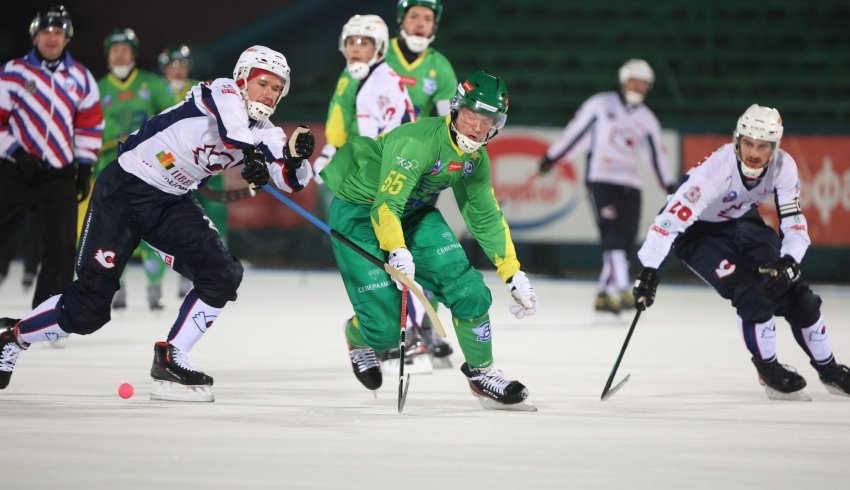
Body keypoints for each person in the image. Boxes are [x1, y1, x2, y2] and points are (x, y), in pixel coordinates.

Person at [0, 45, 315, 402]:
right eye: (264, 84)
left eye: (277, 89)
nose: (270, 94)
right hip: (125, 191)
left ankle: (171, 356)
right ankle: (13, 336)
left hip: (170, 201)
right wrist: (255, 157)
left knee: (222, 275)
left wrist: (293, 160)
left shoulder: (266, 131)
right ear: (243, 78)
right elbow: (233, 133)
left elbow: (292, 181)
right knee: (88, 311)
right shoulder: (222, 91)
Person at [320, 71, 538, 411]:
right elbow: (385, 205)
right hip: (360, 215)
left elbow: (485, 216)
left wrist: (512, 272)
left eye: (488, 120)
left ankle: (482, 374)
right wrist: (397, 249)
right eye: (472, 115)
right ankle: (357, 335)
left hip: (414, 212)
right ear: (455, 108)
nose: (477, 128)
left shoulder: (475, 159)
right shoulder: (418, 143)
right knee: (388, 329)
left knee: (466, 287)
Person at [632, 104, 850, 401]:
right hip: (696, 232)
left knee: (796, 292)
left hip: (741, 220)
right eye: (747, 143)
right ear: (737, 140)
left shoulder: (785, 167)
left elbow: (794, 221)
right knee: (750, 293)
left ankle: (829, 368)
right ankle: (769, 369)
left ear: (774, 147)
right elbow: (669, 222)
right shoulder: (714, 171)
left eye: (762, 146)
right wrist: (649, 270)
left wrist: (790, 261)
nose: (753, 153)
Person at [312, 14, 440, 373]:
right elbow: (338, 122)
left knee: (396, 258)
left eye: (363, 43)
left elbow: (385, 142)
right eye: (351, 41)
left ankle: (407, 334)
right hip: (365, 181)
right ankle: (388, 334)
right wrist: (327, 154)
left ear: (379, 48)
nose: (355, 48)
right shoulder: (353, 77)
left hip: (386, 184)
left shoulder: (380, 83)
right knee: (379, 263)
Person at [538, 59, 677, 316]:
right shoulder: (601, 105)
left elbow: (655, 155)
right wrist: (552, 158)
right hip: (601, 177)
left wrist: (669, 185)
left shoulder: (647, 119)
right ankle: (622, 288)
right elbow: (576, 134)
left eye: (644, 83)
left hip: (630, 182)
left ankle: (604, 294)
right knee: (612, 235)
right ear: (624, 81)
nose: (638, 86)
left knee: (625, 237)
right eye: (634, 80)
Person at [0, 5, 103, 309]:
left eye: (58, 32)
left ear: (67, 38)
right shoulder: (13, 72)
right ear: (34, 37)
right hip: (13, 170)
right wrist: (16, 151)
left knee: (61, 249)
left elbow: (90, 125)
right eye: (45, 31)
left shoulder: (81, 78)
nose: (52, 38)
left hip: (58, 174)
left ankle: (48, 314)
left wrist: (85, 167)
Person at [96, 28, 175, 310]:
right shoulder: (98, 88)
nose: (120, 54)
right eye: (114, 49)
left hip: (149, 169)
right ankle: (116, 287)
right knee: (114, 231)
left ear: (133, 53)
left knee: (154, 227)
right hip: (112, 169)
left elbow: (172, 116)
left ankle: (155, 287)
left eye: (125, 48)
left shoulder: (151, 83)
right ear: (107, 55)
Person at [159, 44, 229, 299]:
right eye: (173, 64)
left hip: (208, 169)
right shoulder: (156, 92)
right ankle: (186, 275)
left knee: (216, 224)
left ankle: (221, 273)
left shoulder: (201, 89)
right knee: (184, 226)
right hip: (177, 172)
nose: (178, 70)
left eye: (182, 64)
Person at [385, 0, 456, 119]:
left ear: (434, 26)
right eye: (414, 16)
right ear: (401, 21)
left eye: (428, 19)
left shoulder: (440, 66)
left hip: (412, 137)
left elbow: (447, 119)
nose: (420, 24)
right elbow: (346, 101)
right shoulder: (378, 54)